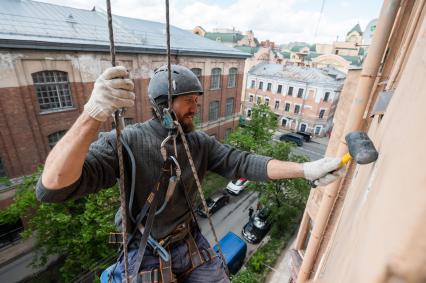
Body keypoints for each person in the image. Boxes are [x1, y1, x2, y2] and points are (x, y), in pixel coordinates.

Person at [36, 65, 343, 283]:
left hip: (188, 241)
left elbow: (243, 162)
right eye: (188, 101)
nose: (196, 107)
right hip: (145, 251)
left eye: (196, 100)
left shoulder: (198, 143)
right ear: (163, 106)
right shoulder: (127, 142)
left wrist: (304, 169)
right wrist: (94, 112)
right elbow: (52, 187)